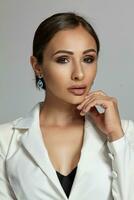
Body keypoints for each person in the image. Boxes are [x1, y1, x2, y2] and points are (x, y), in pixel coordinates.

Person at [0, 12, 134, 200]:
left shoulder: (125, 134)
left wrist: (117, 138)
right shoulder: (5, 141)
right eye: (63, 59)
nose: (79, 74)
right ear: (37, 66)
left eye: (88, 59)